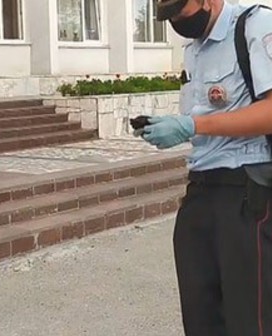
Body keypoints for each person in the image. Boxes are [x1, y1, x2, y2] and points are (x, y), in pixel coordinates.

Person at [136, 1, 272, 335]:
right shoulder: (193, 50)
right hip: (200, 191)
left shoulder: (255, 25)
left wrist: (193, 126)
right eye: (167, 16)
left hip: (245, 193)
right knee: (201, 320)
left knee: (249, 322)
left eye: (180, 12)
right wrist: (171, 126)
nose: (176, 22)